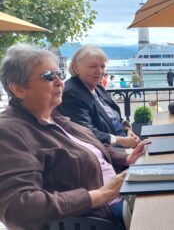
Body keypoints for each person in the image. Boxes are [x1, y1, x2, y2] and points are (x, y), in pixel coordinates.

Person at [0, 44, 148, 229]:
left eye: (59, 75)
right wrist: (102, 194)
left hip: (119, 196)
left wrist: (127, 158)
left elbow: (90, 148)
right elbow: (18, 208)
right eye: (48, 76)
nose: (60, 82)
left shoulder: (54, 117)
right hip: (98, 216)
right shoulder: (9, 131)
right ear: (18, 88)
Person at [58, 45, 149, 149]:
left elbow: (116, 117)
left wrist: (128, 130)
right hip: (106, 153)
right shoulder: (71, 93)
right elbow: (86, 133)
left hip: (122, 144)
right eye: (93, 66)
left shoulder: (98, 88)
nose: (99, 71)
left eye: (102, 67)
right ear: (76, 68)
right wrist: (122, 141)